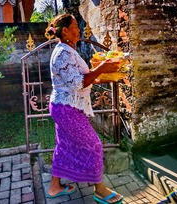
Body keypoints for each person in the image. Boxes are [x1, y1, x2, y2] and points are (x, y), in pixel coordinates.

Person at [45, 14, 124, 204]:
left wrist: (100, 76)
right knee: (94, 145)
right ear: (65, 31)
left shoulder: (67, 50)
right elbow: (77, 84)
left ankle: (55, 187)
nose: (79, 30)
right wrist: (102, 67)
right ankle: (99, 190)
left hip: (65, 106)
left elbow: (80, 78)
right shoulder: (63, 53)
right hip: (67, 108)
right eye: (75, 27)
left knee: (63, 145)